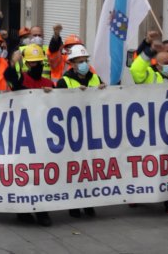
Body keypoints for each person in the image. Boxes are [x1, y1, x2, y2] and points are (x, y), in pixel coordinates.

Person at [130, 31, 168, 217]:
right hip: (146, 128)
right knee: (144, 163)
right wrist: (148, 51)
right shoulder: (148, 75)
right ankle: (136, 192)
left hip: (167, 131)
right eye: (166, 63)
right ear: (157, 63)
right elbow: (135, 70)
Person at [3, 44, 54, 226]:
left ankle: (42, 211)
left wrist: (53, 94)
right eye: (32, 63)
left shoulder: (48, 84)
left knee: (40, 173)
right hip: (22, 134)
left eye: (38, 62)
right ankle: (22, 211)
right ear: (26, 64)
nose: (36, 66)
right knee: (23, 174)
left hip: (42, 134)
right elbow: (9, 79)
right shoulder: (21, 79)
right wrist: (12, 63)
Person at [55, 44, 104, 218]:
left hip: (92, 130)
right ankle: (74, 205)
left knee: (90, 168)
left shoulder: (96, 79)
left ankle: (89, 202)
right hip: (73, 132)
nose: (84, 64)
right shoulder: (65, 81)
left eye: (85, 61)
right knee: (74, 169)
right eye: (80, 61)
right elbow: (57, 105)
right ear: (72, 64)